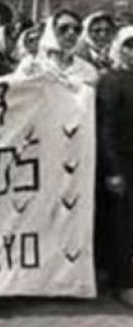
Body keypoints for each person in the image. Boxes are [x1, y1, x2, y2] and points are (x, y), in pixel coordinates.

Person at [95, 25, 133, 306]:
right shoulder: (111, 81)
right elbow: (106, 128)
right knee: (121, 223)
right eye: (129, 45)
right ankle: (122, 282)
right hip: (121, 159)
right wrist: (113, 170)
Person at [17, 9, 98, 86]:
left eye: (77, 29)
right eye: (64, 28)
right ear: (51, 31)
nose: (71, 33)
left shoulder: (88, 71)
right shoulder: (31, 65)